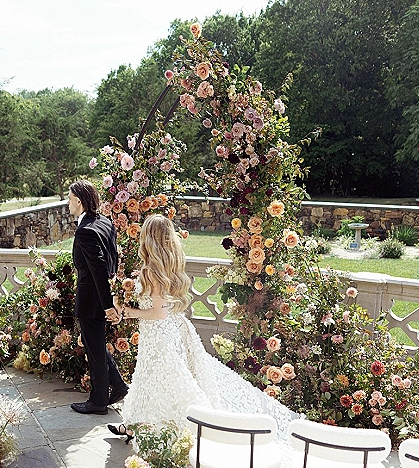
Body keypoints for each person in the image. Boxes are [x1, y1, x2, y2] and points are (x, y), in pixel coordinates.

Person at [108, 214, 295, 438]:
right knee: (149, 380)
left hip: (158, 335)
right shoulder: (169, 264)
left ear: (149, 238)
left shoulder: (151, 271)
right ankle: (133, 425)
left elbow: (158, 312)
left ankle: (173, 427)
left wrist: (129, 312)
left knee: (161, 381)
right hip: (167, 331)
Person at [68, 180, 128, 415]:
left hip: (92, 301)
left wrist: (107, 306)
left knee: (94, 350)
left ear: (80, 202)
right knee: (97, 346)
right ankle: (119, 386)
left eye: (70, 198)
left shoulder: (85, 231)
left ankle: (99, 401)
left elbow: (99, 269)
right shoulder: (104, 222)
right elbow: (113, 257)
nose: (68, 203)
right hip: (96, 298)